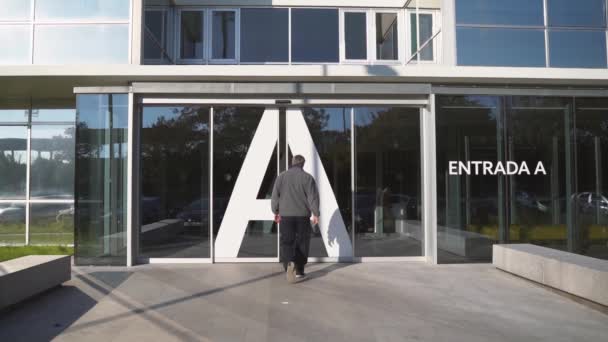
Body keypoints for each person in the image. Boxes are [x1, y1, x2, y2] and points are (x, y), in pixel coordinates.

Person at [271, 155, 320, 283]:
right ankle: (299, 271)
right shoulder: (308, 178)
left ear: (292, 163)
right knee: (302, 242)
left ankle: (288, 264)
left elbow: (275, 196)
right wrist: (316, 214)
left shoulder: (281, 177)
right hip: (302, 215)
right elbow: (312, 197)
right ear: (303, 164)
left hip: (286, 215)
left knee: (287, 242)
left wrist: (276, 211)